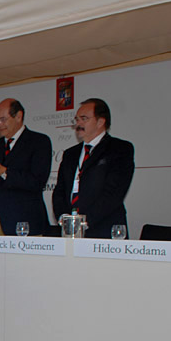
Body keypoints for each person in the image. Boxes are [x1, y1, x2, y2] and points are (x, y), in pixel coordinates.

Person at [51, 98, 135, 239]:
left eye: (84, 119)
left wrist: (83, 222)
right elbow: (60, 190)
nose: (78, 124)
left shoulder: (119, 149)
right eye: (77, 119)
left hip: (104, 230)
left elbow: (113, 194)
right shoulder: (70, 154)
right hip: (70, 232)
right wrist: (65, 219)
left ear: (101, 122)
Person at [0, 98, 52, 236]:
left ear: (19, 116)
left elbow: (37, 182)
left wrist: (4, 172)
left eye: (3, 119)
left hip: (25, 222)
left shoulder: (39, 142)